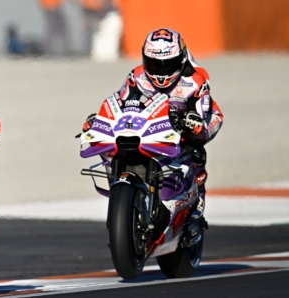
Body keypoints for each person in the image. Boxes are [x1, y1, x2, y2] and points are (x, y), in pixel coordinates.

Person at [82, 28, 223, 221]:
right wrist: (100, 121)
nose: (161, 72)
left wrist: (191, 123)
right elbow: (121, 102)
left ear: (181, 60)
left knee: (195, 149)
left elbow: (199, 116)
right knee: (120, 140)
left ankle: (197, 203)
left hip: (205, 119)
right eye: (155, 65)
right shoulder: (137, 76)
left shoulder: (195, 82)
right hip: (153, 122)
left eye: (168, 65)